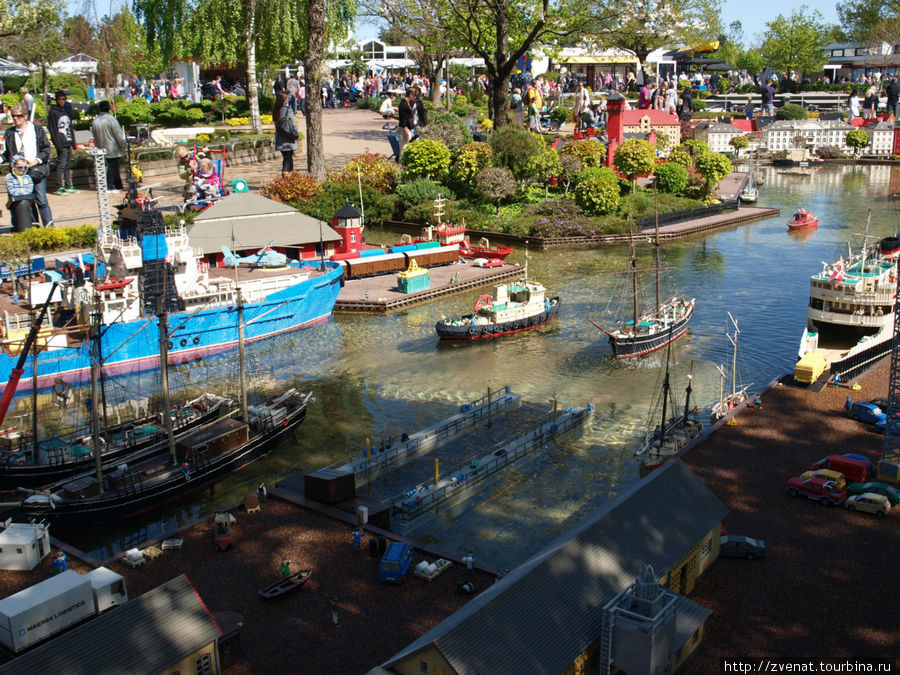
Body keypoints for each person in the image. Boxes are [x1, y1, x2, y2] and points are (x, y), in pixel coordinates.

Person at [3, 103, 52, 226]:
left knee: (41, 200)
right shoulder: (10, 133)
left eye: (19, 116)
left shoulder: (37, 129)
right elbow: (7, 153)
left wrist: (36, 160)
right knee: (26, 203)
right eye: (13, 116)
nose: (15, 118)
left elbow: (46, 149)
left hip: (36, 170)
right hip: (19, 174)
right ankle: (34, 227)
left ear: (25, 116)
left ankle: (49, 226)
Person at [91, 100, 128, 193]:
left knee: (114, 167)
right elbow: (118, 134)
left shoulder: (95, 121)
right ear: (109, 108)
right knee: (113, 167)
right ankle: (109, 186)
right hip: (114, 147)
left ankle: (118, 185)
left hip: (103, 148)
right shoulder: (111, 119)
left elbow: (95, 137)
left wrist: (98, 147)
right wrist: (124, 146)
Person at [48, 90, 78, 195]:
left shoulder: (66, 111)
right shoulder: (53, 112)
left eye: (63, 99)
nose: (61, 101)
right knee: (61, 164)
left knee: (68, 164)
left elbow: (70, 127)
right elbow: (52, 129)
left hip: (68, 141)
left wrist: (74, 143)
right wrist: (57, 144)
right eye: (59, 99)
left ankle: (68, 185)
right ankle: (60, 186)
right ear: (56, 100)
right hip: (60, 142)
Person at [5, 155, 36, 232]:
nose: (22, 169)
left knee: (29, 212)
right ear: (14, 167)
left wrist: (25, 194)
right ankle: (16, 228)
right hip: (15, 200)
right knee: (15, 214)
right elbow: (10, 188)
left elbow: (30, 187)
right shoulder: (9, 177)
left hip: (26, 199)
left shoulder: (27, 177)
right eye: (20, 167)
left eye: (25, 167)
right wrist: (18, 194)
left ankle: (30, 226)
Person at [272, 90, 299, 174]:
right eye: (287, 98)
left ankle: (290, 175)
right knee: (287, 159)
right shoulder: (288, 110)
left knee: (287, 157)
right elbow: (294, 123)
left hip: (280, 137)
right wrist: (296, 134)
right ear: (284, 99)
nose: (288, 99)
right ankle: (286, 175)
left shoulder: (276, 110)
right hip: (288, 137)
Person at [397, 88, 417, 152]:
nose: (415, 97)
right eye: (414, 95)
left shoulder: (408, 103)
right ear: (410, 94)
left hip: (408, 128)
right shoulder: (404, 104)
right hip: (404, 130)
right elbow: (403, 119)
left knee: (407, 149)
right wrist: (406, 132)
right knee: (404, 150)